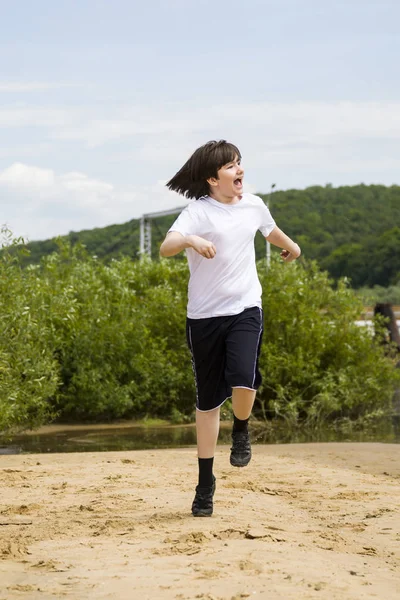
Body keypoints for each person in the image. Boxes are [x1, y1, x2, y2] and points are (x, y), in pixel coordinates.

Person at [160, 140, 301, 517]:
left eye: (239, 163)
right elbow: (167, 246)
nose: (239, 170)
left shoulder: (253, 204)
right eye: (230, 166)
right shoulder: (197, 212)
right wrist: (190, 239)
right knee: (207, 402)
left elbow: (268, 231)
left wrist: (293, 247)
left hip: (244, 308)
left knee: (242, 376)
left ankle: (241, 427)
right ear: (212, 179)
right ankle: (205, 484)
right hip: (204, 317)